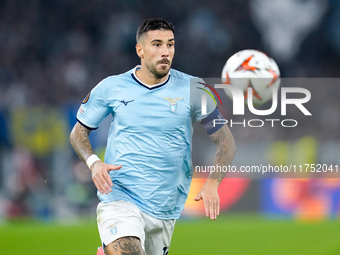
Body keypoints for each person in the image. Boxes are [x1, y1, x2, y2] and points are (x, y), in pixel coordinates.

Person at [70, 18, 235, 255]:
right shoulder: (111, 87)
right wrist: (94, 163)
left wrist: (213, 182)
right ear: (140, 50)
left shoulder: (194, 89)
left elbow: (225, 140)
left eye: (170, 44)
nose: (165, 52)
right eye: (157, 44)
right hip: (120, 195)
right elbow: (78, 132)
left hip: (165, 206)